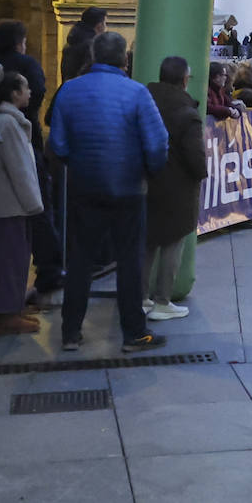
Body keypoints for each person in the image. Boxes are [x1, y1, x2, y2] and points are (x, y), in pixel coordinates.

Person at [49, 32, 170, 353]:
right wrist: (150, 171)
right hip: (128, 188)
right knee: (129, 261)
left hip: (84, 187)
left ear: (93, 55)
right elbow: (158, 144)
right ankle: (133, 333)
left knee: (80, 261)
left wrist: (76, 163)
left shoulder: (69, 91)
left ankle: (70, 332)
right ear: (124, 59)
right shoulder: (137, 93)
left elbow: (58, 144)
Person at [0, 19, 62, 302]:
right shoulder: (15, 121)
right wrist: (35, 203)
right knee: (35, 217)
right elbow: (24, 173)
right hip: (27, 148)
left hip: (1, 186)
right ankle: (47, 272)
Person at [144, 57, 207, 322]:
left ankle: (139, 298)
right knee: (173, 241)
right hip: (177, 185)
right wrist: (202, 172)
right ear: (184, 80)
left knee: (146, 242)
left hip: (144, 180)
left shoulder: (144, 102)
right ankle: (162, 301)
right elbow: (195, 156)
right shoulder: (187, 113)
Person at [0, 72, 43, 335]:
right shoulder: (8, 123)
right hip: (11, 204)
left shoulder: (11, 121)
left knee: (16, 257)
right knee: (8, 258)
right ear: (14, 93)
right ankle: (4, 315)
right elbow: (19, 169)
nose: (30, 92)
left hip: (13, 204)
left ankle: (12, 306)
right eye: (26, 87)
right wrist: (34, 203)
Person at [60, 6, 107, 82]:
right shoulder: (93, 46)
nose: (105, 27)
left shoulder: (71, 42)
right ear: (99, 25)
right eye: (105, 23)